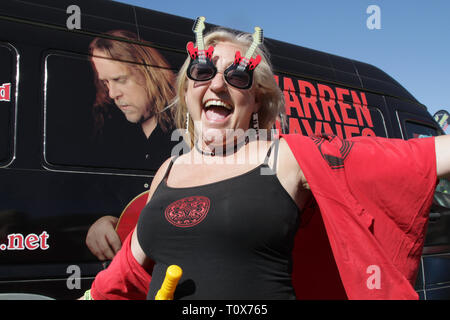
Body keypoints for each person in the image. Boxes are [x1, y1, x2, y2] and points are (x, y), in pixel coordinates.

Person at [82, 26, 450, 300]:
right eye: (203, 71)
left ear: (256, 101)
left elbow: (419, 158)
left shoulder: (286, 157)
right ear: (187, 88)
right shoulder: (168, 170)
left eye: (238, 76)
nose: (218, 85)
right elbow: (124, 273)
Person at [86, 30, 183, 260]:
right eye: (106, 83)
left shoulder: (190, 132)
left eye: (120, 79)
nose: (112, 93)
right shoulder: (111, 137)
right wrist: (102, 221)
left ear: (148, 71)